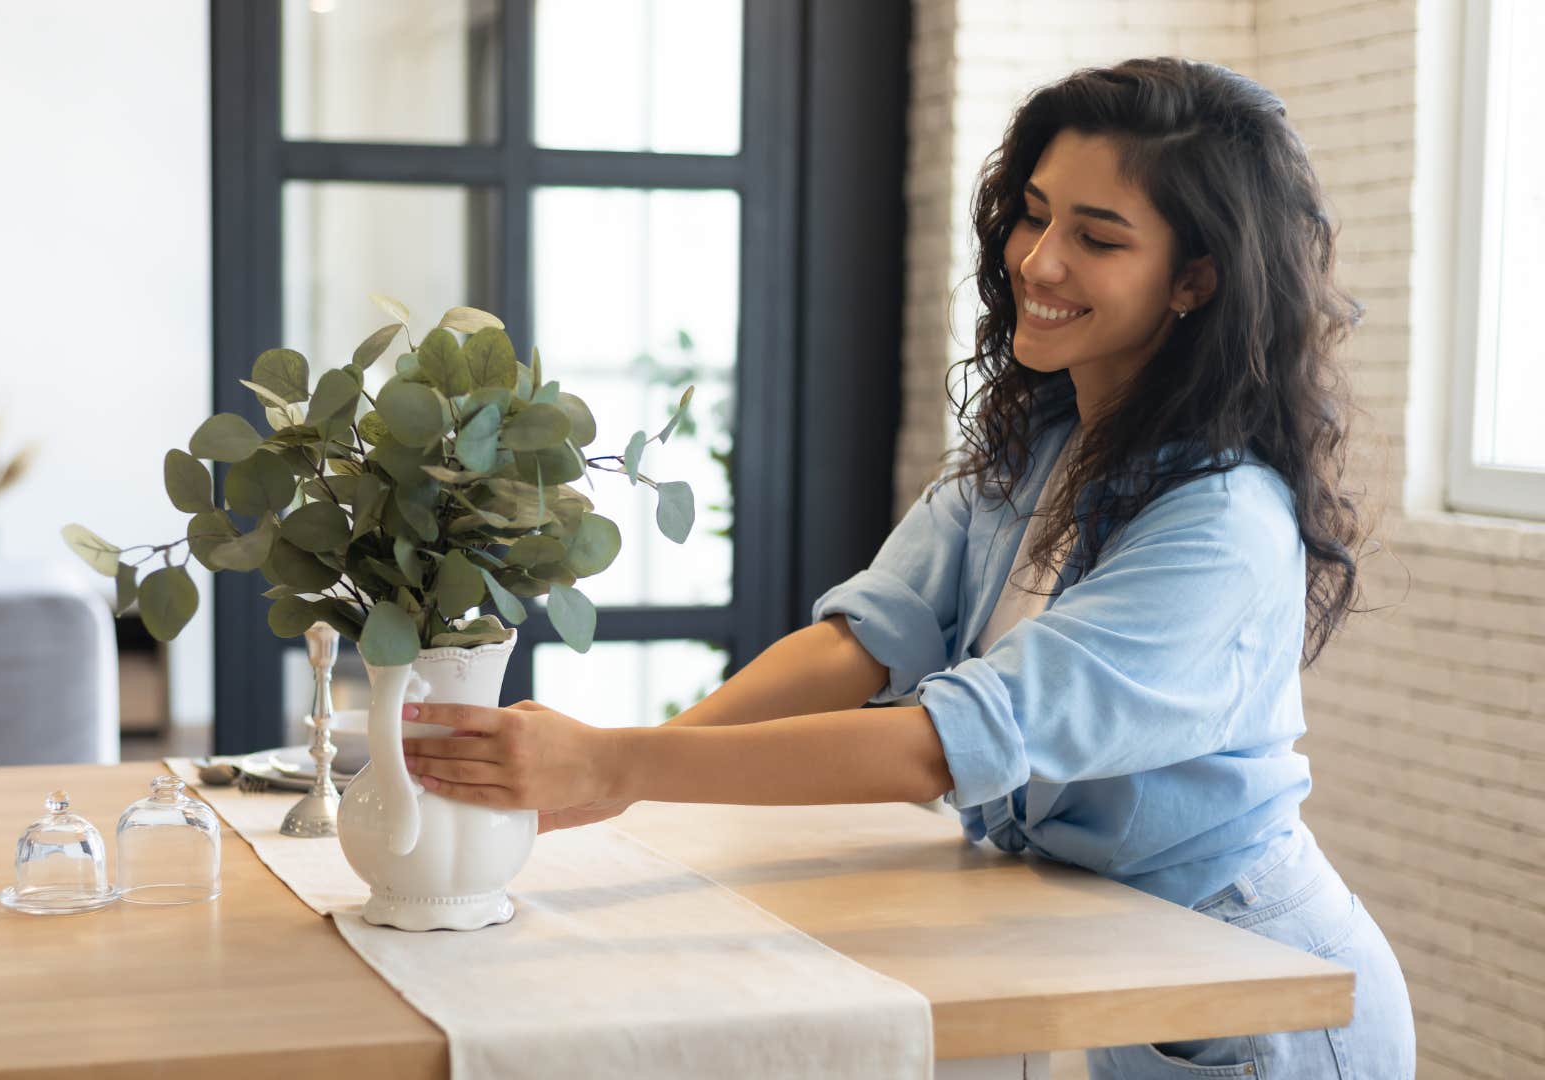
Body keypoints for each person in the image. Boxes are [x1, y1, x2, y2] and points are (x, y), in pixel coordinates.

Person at [400, 57, 1415, 1078]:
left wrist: (620, 763)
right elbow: (862, 643)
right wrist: (628, 774)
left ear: (1196, 279)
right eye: (1033, 214)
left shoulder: (1225, 525)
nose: (1040, 260)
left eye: (1098, 237)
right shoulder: (1041, 449)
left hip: (1257, 986)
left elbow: (946, 744)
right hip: (1109, 953)